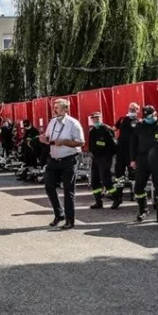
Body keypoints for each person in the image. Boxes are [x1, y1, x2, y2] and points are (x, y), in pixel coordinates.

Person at [40, 98, 86, 229]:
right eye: (54, 107)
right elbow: (49, 138)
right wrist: (44, 139)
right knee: (49, 186)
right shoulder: (52, 122)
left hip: (68, 159)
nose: (55, 110)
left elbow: (81, 143)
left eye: (58, 107)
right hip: (54, 159)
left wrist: (65, 142)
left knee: (68, 190)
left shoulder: (73, 123)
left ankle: (70, 220)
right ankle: (58, 214)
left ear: (66, 109)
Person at [130, 105, 158, 222]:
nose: (147, 118)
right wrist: (132, 159)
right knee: (138, 187)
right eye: (145, 116)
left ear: (155, 114)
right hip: (143, 159)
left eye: (149, 116)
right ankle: (143, 209)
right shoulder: (139, 126)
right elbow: (133, 144)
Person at [106, 102, 140, 209]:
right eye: (130, 109)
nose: (132, 111)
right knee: (119, 176)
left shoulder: (139, 122)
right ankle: (118, 198)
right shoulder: (122, 119)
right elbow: (113, 130)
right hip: (121, 151)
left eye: (134, 109)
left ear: (138, 110)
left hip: (132, 153)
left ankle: (136, 197)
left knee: (134, 175)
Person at [87, 111, 117, 209]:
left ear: (101, 118)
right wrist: (91, 152)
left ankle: (116, 198)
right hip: (95, 158)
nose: (96, 120)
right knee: (94, 180)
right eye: (94, 118)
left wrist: (108, 156)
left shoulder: (107, 129)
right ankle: (98, 201)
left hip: (105, 158)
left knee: (106, 180)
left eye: (97, 118)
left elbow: (114, 146)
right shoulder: (92, 131)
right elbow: (90, 144)